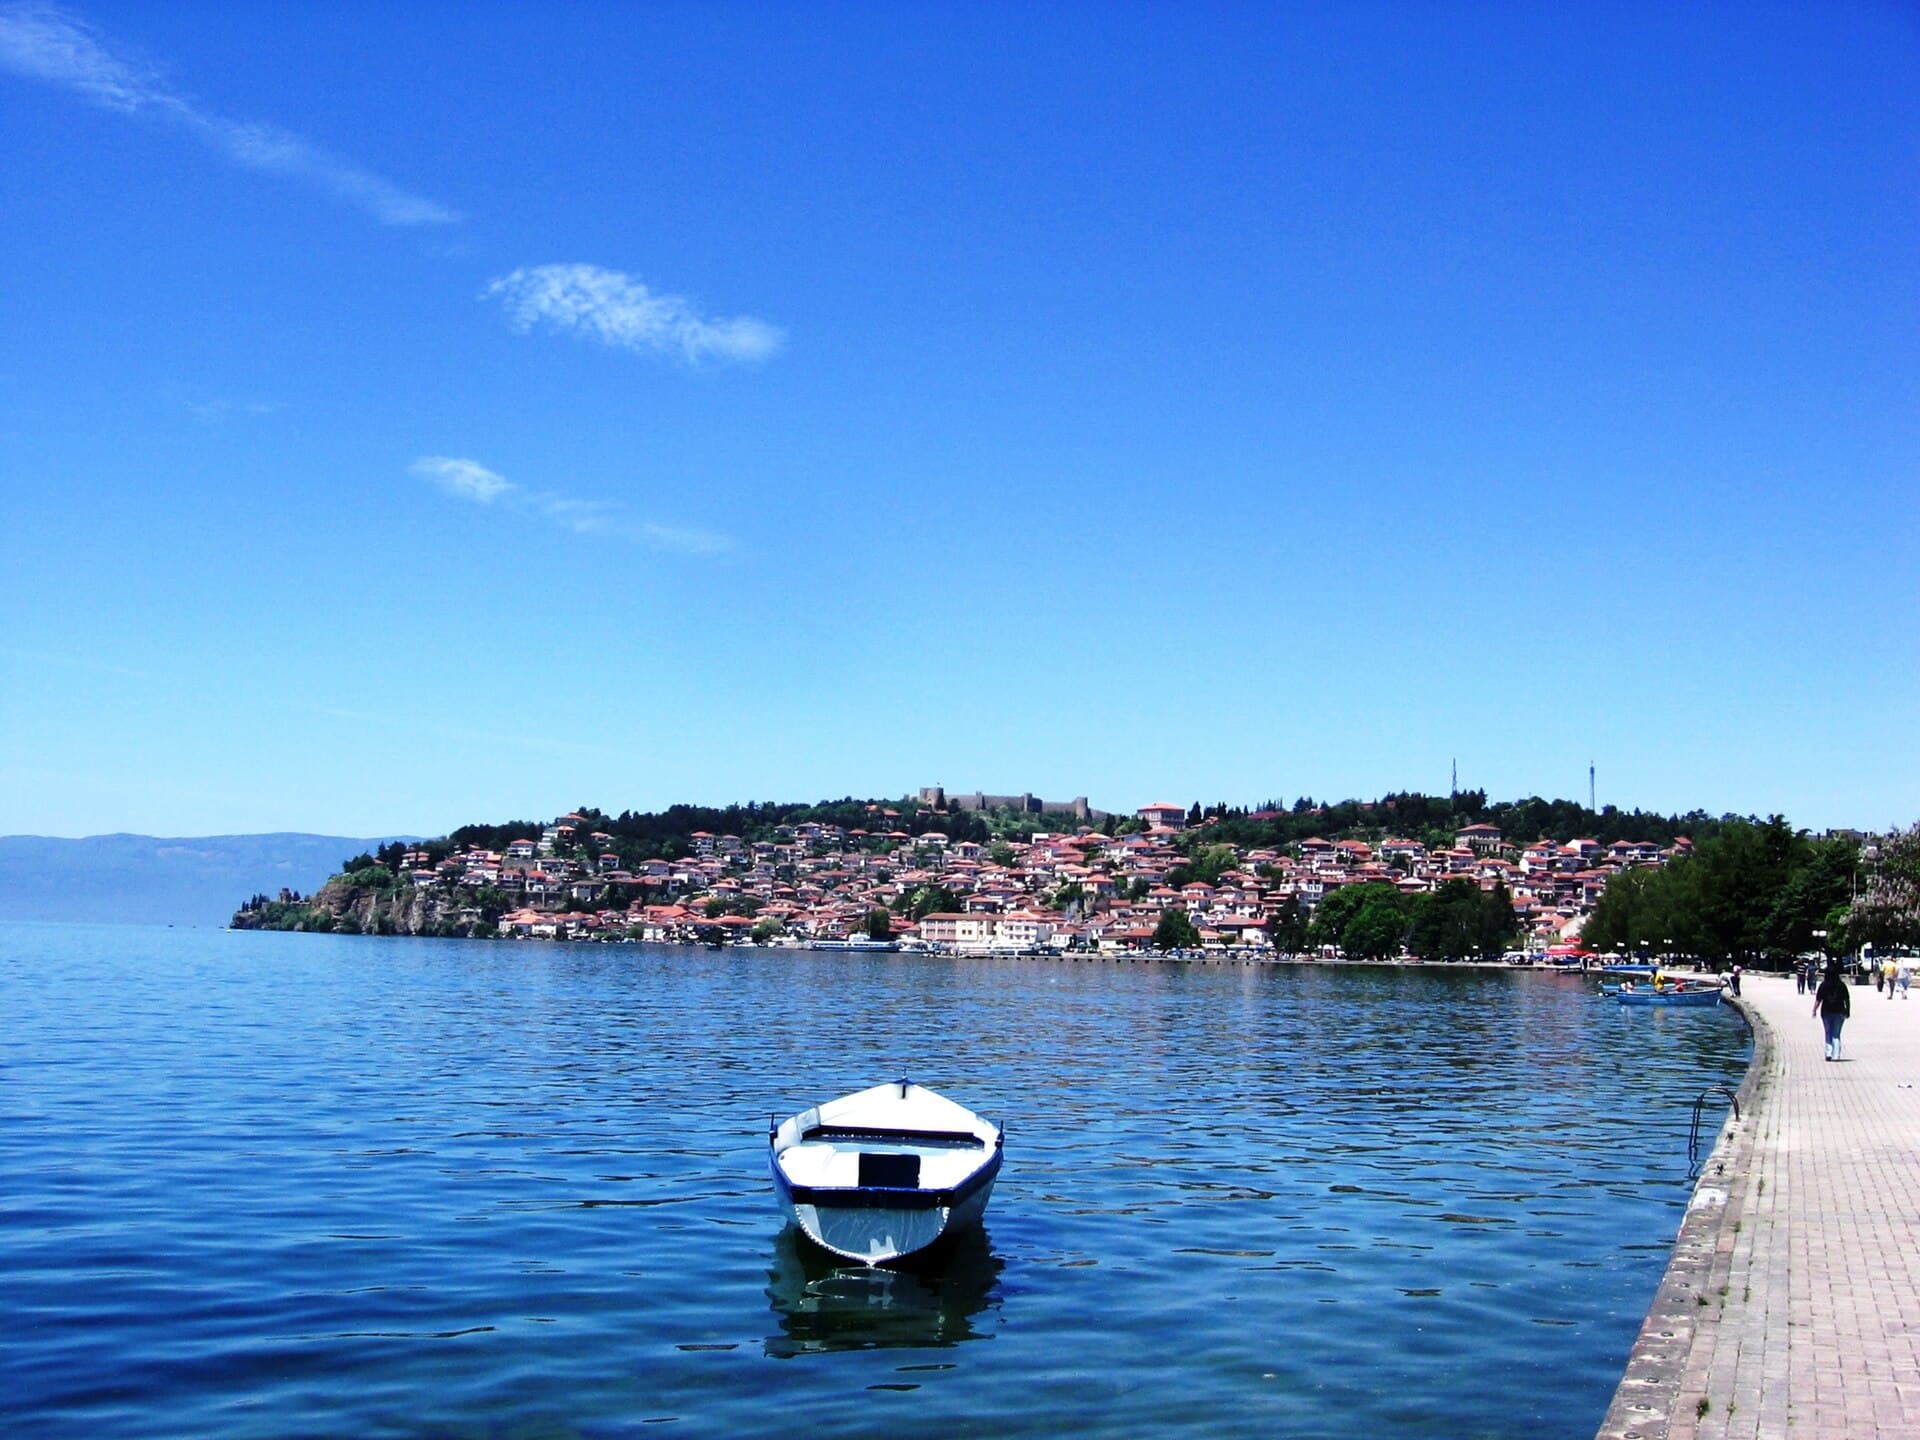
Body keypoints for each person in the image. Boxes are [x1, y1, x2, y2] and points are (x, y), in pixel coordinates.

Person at [1814, 963, 1852, 1061]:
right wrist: (1848, 1010)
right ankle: (1836, 1055)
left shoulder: (1823, 985)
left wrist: (1814, 1010)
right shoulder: (1841, 985)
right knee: (1836, 1034)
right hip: (1839, 1011)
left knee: (1828, 1032)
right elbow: (1847, 999)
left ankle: (1828, 1053)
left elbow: (1818, 999)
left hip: (1826, 1011)